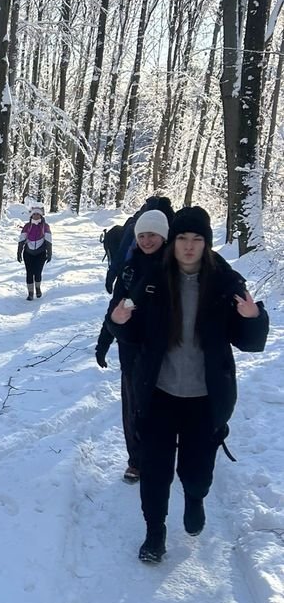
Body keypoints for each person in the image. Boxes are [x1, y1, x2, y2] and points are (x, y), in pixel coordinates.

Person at [107, 207, 269, 564]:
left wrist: (253, 318)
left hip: (204, 398)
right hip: (159, 394)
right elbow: (133, 333)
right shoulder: (153, 281)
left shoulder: (224, 284)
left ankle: (195, 499)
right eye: (182, 238)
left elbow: (249, 341)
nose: (189, 246)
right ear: (173, 242)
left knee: (196, 472)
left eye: (197, 239)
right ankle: (154, 533)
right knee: (155, 470)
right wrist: (118, 323)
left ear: (206, 243)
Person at [95, 207, 169, 483]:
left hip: (166, 351)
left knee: (163, 406)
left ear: (163, 236)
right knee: (134, 406)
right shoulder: (129, 269)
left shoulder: (174, 268)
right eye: (142, 236)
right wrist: (103, 342)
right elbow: (114, 307)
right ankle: (136, 460)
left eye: (152, 235)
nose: (147, 241)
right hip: (131, 349)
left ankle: (162, 452)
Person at [17, 203, 53, 299]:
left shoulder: (45, 226)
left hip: (41, 253)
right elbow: (21, 240)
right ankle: (30, 293)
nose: (36, 216)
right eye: (34, 214)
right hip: (28, 253)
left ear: (41, 215)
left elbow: (48, 240)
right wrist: (19, 252)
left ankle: (37, 288)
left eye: (38, 214)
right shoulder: (27, 226)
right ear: (31, 215)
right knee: (29, 273)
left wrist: (49, 253)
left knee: (37, 272)